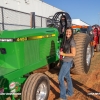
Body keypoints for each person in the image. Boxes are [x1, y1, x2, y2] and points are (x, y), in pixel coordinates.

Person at [56, 27, 76, 100]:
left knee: (60, 77)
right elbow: (62, 50)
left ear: (71, 33)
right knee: (67, 77)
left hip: (68, 62)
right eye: (67, 32)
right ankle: (70, 92)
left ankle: (63, 97)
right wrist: (60, 56)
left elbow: (73, 54)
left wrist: (63, 53)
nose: (68, 33)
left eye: (69, 32)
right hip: (64, 61)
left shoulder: (72, 41)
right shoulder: (65, 40)